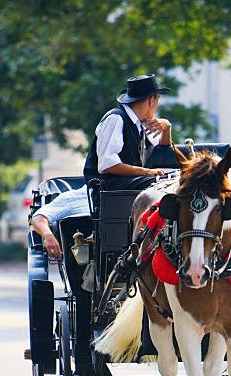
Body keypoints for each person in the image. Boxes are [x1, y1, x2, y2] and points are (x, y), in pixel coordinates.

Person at [31, 74, 172, 259]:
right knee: (160, 181)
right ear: (152, 100)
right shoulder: (116, 119)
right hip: (109, 189)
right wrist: (49, 236)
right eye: (158, 100)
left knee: (168, 179)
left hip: (129, 187)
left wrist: (167, 127)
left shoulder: (140, 125)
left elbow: (165, 153)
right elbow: (107, 164)